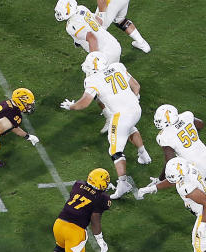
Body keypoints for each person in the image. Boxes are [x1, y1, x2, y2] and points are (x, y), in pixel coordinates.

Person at [60, 51, 152, 199]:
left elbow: (84, 103)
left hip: (121, 116)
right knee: (128, 128)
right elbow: (136, 86)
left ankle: (123, 184)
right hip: (136, 109)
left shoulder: (92, 80)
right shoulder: (118, 66)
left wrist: (71, 106)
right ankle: (144, 155)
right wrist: (133, 100)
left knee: (115, 150)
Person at [47, 168, 112, 252]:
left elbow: (85, 194)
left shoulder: (78, 184)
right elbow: (95, 220)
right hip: (75, 231)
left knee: (60, 245)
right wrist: (100, 240)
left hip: (59, 224)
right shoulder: (102, 198)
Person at [137, 104, 206, 198]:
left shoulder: (164, 136)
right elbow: (200, 124)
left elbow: (170, 162)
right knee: (203, 177)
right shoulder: (186, 116)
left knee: (187, 189)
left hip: (196, 165)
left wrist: (160, 179)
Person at [54, 0, 122, 65]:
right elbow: (99, 21)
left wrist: (93, 60)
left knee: (95, 74)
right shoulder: (81, 8)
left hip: (105, 53)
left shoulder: (71, 25)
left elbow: (92, 39)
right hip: (114, 44)